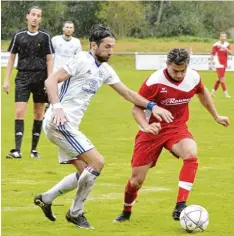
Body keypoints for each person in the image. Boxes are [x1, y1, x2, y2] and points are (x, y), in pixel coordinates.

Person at [33, 24, 173, 229]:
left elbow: (127, 93)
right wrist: (57, 107)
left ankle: (46, 198)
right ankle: (75, 213)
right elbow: (51, 80)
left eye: (113, 47)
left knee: (84, 172)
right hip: (59, 123)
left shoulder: (105, 70)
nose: (110, 51)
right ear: (93, 45)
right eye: (107, 47)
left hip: (67, 125)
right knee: (97, 162)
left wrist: (152, 105)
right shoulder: (82, 59)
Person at [114, 48, 230, 223]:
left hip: (176, 127)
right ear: (167, 65)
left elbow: (202, 92)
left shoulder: (193, 77)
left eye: (183, 70)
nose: (179, 74)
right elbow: (136, 107)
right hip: (152, 130)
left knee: (191, 153)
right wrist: (145, 126)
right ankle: (126, 211)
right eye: (175, 70)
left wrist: (216, 115)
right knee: (136, 180)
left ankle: (180, 205)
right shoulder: (154, 82)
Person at [3, 6, 54, 159]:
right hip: (23, 77)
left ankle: (33, 150)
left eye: (38, 15)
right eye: (33, 14)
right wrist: (6, 79)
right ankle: (17, 150)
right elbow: (11, 57)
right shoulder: (19, 35)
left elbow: (50, 58)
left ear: (40, 19)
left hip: (40, 77)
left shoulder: (45, 36)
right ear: (27, 16)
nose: (35, 18)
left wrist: (49, 80)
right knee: (19, 112)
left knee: (38, 113)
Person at [210, 32, 232, 98]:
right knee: (222, 79)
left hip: (224, 63)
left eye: (224, 36)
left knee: (219, 79)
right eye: (222, 36)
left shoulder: (227, 44)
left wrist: (225, 48)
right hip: (218, 63)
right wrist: (211, 62)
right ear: (220, 37)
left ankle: (213, 92)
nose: (223, 38)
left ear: (226, 37)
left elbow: (231, 53)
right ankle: (226, 94)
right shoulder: (216, 44)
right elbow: (212, 54)